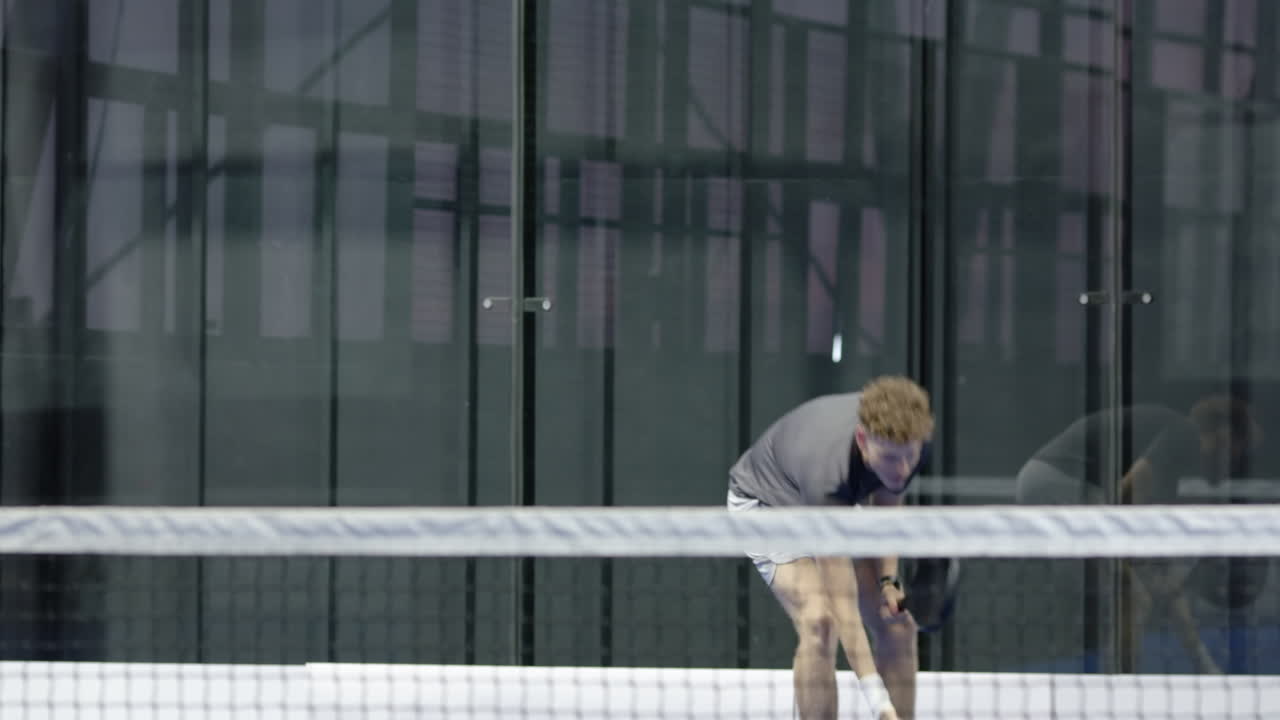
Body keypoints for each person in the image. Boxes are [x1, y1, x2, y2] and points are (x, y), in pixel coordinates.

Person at [726, 376, 934, 720]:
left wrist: (889, 582)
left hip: (832, 501)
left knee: (897, 624)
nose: (902, 469)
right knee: (820, 621)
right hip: (768, 505)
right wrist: (880, 705)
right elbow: (844, 607)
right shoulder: (828, 474)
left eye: (908, 458)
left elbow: (887, 506)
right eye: (890, 458)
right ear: (863, 440)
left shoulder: (912, 443)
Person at [1015, 395, 1263, 673]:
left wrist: (1156, 569)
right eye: (1239, 451)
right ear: (1224, 434)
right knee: (1133, 596)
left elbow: (1166, 585)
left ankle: (1199, 667)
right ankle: (1121, 686)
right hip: (1060, 483)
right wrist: (1142, 560)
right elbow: (1126, 491)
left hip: (1055, 484)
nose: (1237, 461)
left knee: (1132, 591)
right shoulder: (1183, 433)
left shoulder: (1168, 471)